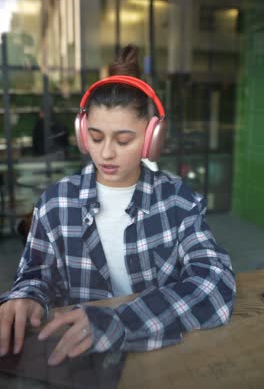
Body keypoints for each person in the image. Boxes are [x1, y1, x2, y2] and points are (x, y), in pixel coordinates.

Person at [0, 45, 236, 367]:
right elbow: (35, 275)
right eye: (96, 138)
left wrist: (121, 322)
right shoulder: (56, 202)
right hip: (77, 361)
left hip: (159, 360)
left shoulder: (178, 202)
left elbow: (215, 283)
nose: (106, 154)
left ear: (152, 138)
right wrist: (25, 297)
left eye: (123, 141)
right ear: (83, 134)